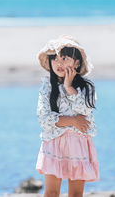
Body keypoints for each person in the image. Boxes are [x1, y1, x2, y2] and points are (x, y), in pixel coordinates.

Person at [35, 34, 99, 197]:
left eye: (64, 58)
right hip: (54, 142)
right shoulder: (47, 87)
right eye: (54, 59)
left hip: (78, 144)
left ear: (76, 62)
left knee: (76, 194)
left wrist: (69, 87)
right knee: (51, 193)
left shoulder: (86, 87)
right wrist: (72, 120)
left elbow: (85, 113)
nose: (59, 63)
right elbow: (44, 119)